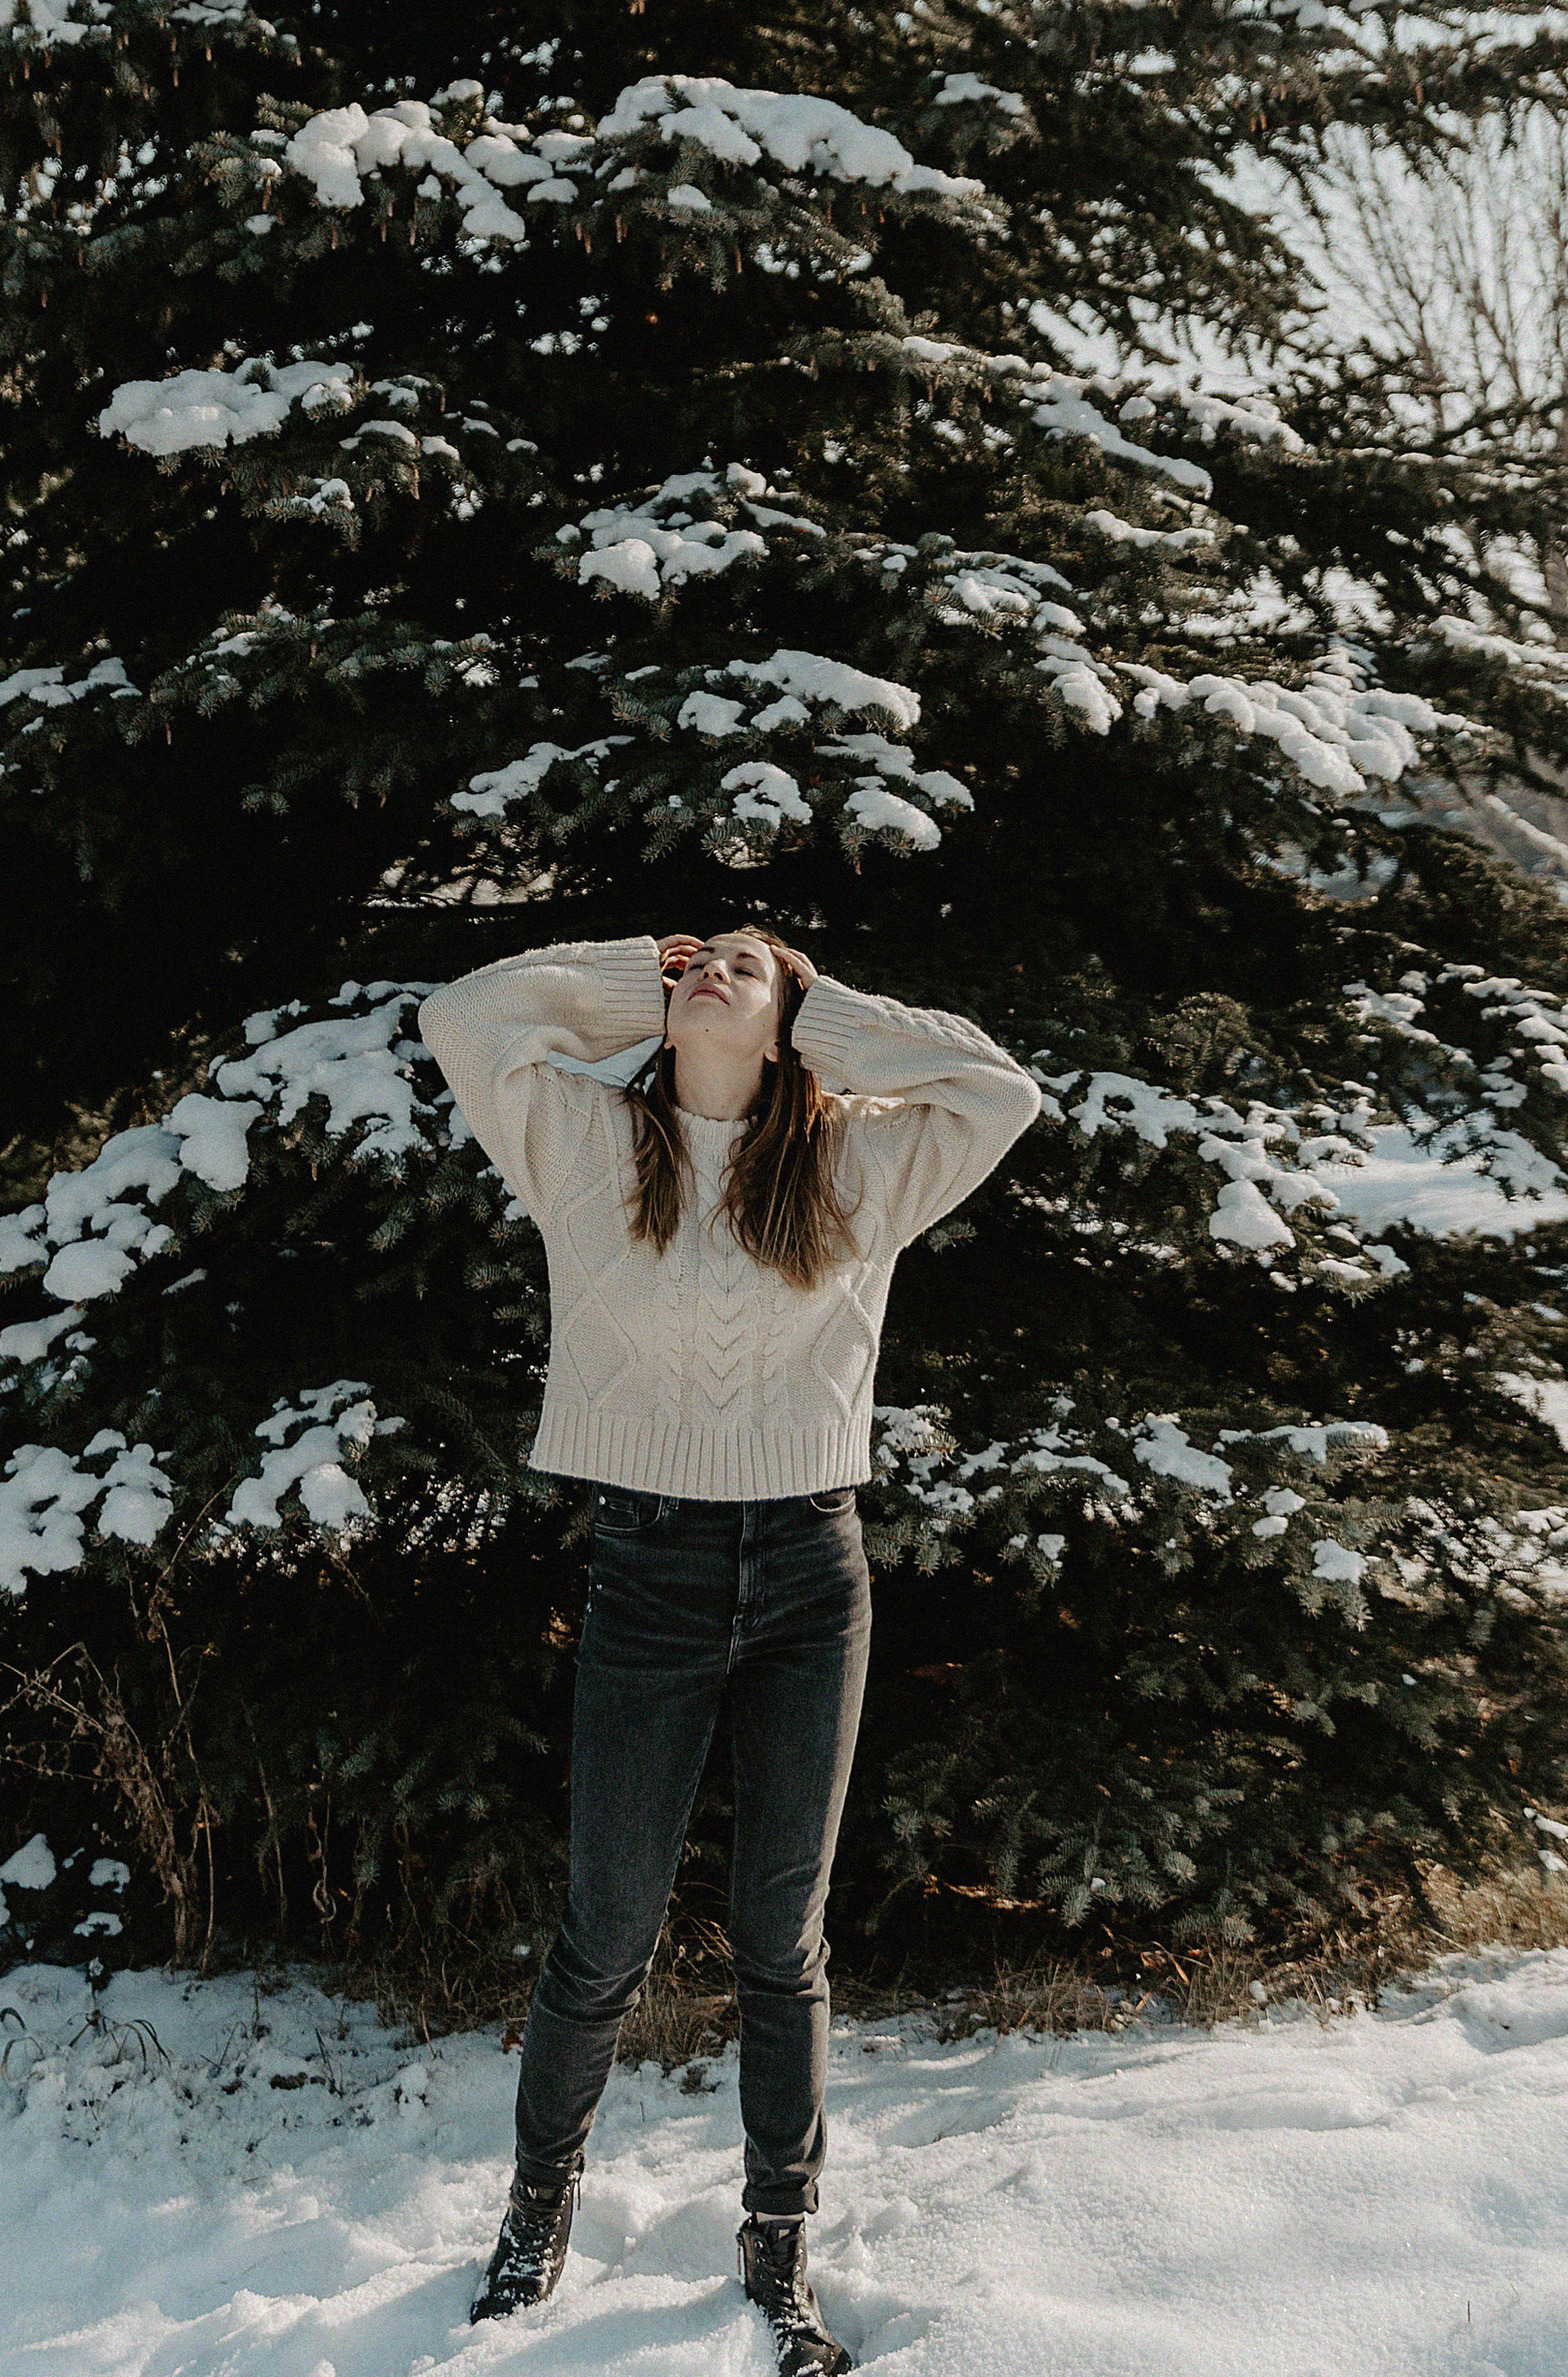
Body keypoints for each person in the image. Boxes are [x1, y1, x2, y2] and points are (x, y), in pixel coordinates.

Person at [417, 925, 1040, 2375]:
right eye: (699, 964)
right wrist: (644, 973)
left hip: (815, 1568)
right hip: (651, 1567)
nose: (714, 972)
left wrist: (820, 1011)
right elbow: (466, 1015)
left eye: (746, 967)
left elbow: (999, 1094)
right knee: (606, 1934)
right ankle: (535, 2219)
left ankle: (780, 2250)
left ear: (792, 1025)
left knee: (781, 1939)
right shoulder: (577, 1142)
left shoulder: (860, 1165)